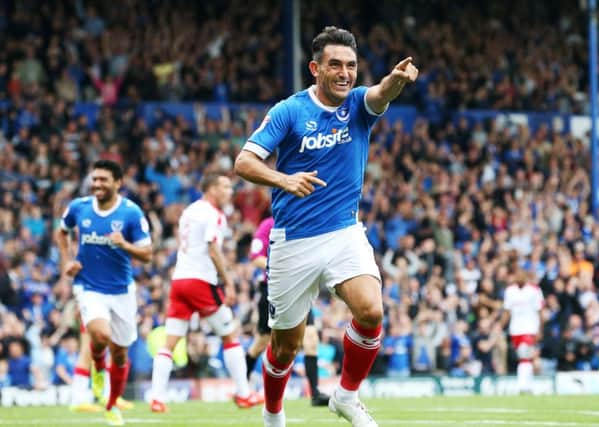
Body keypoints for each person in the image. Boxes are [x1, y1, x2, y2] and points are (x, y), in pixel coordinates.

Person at [234, 26, 418, 427]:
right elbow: (243, 162)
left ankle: (346, 396)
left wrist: (396, 80)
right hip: (293, 242)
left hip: (343, 232)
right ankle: (272, 414)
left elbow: (380, 93)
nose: (345, 73)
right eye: (335, 64)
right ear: (315, 67)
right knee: (285, 347)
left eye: (351, 66)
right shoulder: (289, 111)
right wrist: (283, 180)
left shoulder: (357, 105)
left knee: (371, 311)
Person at [149, 173, 263, 413]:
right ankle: (243, 394)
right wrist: (228, 281)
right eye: (225, 187)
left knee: (170, 341)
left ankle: (157, 398)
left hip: (179, 279)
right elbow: (212, 249)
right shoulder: (214, 215)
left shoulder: (190, 210)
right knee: (230, 335)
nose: (230, 191)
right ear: (211, 189)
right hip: (200, 280)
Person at [56, 159, 153, 426]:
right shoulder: (79, 207)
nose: (97, 184)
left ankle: (111, 405)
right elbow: (61, 232)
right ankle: (99, 372)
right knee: (100, 334)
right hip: (88, 286)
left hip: (122, 289)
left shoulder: (131, 214)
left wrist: (124, 244)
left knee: (120, 353)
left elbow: (148, 254)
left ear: (118, 183)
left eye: (103, 180)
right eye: (94, 179)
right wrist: (66, 261)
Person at [245, 216, 330, 406]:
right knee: (262, 343)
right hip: (273, 290)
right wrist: (281, 267)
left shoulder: (303, 222)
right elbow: (255, 257)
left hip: (299, 289)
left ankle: (315, 392)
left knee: (311, 339)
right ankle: (242, 387)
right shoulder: (268, 225)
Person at [501, 269, 545, 394]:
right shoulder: (510, 291)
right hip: (515, 329)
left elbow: (540, 310)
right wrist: (500, 326)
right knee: (525, 357)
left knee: (524, 354)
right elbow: (507, 311)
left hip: (530, 328)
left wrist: (541, 329)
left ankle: (522, 385)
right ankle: (528, 385)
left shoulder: (534, 290)